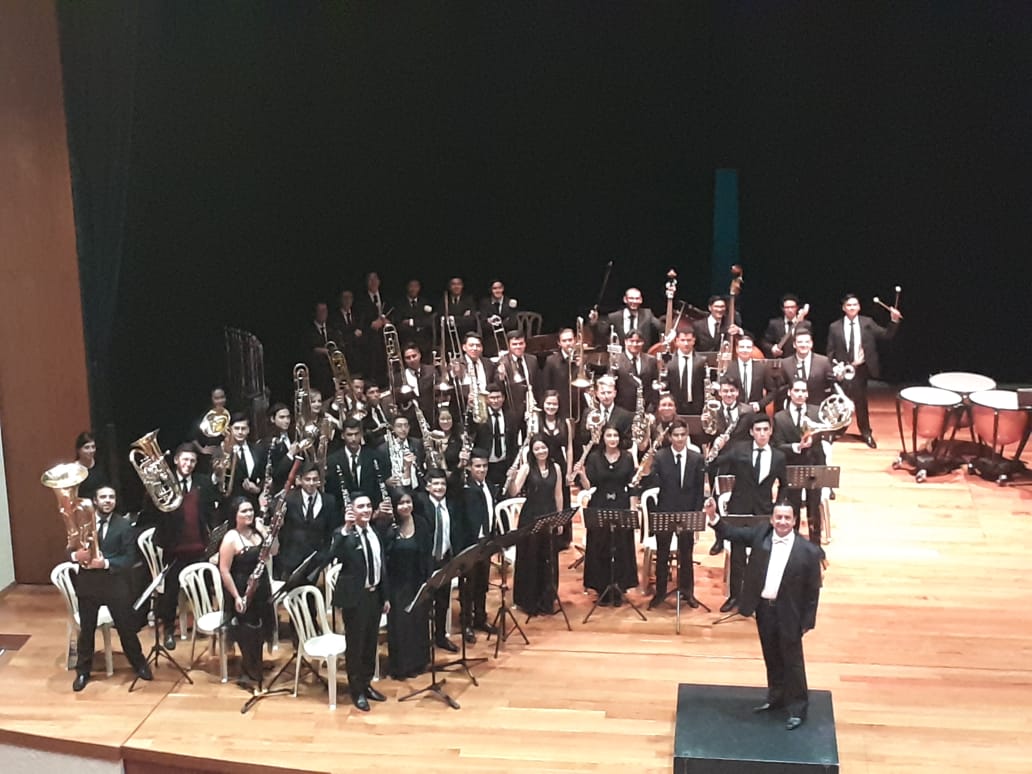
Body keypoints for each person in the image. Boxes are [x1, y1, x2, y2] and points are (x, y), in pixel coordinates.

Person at [704, 500, 822, 730]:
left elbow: (812, 590)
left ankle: (798, 708)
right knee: (772, 656)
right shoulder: (761, 535)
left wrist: (808, 620)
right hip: (765, 609)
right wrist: (713, 517)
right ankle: (776, 697)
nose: (782, 522)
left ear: (794, 521)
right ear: (771, 519)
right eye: (778, 517)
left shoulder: (808, 551)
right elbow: (733, 534)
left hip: (789, 612)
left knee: (793, 661)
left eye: (787, 518)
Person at [70, 485, 151, 691]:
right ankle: (83, 671)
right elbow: (68, 550)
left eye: (111, 497)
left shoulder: (124, 525)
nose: (108, 500)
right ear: (95, 501)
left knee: (126, 628)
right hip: (88, 586)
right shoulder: (82, 523)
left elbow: (129, 558)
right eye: (103, 497)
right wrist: (75, 556)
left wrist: (105, 563)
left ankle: (139, 663)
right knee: (87, 631)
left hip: (115, 585)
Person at [711, 414, 787, 614]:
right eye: (758, 430)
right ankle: (735, 596)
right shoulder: (739, 450)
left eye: (765, 430)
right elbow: (714, 464)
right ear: (751, 432)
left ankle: (756, 598)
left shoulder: (778, 457)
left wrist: (777, 507)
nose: (762, 434)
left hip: (763, 512)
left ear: (770, 431)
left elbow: (784, 485)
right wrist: (718, 448)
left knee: (761, 556)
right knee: (737, 556)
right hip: (740, 509)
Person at [324, 492, 391, 711]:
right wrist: (346, 528)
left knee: (371, 643)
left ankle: (366, 683)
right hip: (356, 598)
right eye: (360, 506)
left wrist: (385, 596)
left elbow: (381, 566)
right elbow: (332, 555)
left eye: (368, 506)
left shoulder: (375, 532)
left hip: (374, 595)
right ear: (352, 510)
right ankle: (356, 690)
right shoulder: (344, 535)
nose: (366, 510)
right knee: (356, 645)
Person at [152, 444, 219, 650]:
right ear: (176, 460)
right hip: (174, 548)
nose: (188, 464)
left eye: (192, 461)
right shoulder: (164, 483)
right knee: (170, 592)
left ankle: (206, 624)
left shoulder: (203, 483)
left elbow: (210, 511)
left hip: (198, 546)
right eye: (185, 460)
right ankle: (168, 631)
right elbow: (153, 512)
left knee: (206, 587)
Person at [825, 292, 902, 448]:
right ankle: (835, 431)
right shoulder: (835, 327)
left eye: (855, 304)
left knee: (860, 403)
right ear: (843, 308)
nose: (852, 307)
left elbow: (886, 335)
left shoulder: (867, 323)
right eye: (849, 305)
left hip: (860, 370)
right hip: (842, 371)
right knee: (839, 402)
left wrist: (894, 321)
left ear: (859, 307)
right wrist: (834, 370)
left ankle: (866, 432)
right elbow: (830, 351)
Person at [572, 426, 638, 604]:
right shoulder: (594, 457)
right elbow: (589, 486)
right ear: (603, 438)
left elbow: (632, 485)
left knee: (621, 546)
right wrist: (581, 474)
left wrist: (633, 509)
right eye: (609, 435)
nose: (612, 439)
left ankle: (619, 587)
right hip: (599, 504)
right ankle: (601, 588)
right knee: (600, 545)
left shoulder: (627, 457)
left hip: (621, 505)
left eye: (615, 435)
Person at [645, 420, 705, 609]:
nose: (680, 438)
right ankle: (660, 592)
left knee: (686, 554)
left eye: (683, 435)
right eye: (676, 435)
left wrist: (696, 513)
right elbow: (653, 484)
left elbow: (699, 489)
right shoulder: (660, 457)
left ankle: (688, 592)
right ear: (670, 437)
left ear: (687, 435)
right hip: (666, 512)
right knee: (662, 554)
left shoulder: (697, 458)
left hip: (688, 513)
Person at [217, 496, 274, 687]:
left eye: (250, 510)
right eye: (244, 511)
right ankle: (249, 671)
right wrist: (236, 597)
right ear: (235, 515)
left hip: (261, 586)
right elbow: (224, 570)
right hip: (242, 588)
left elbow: (274, 551)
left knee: (260, 629)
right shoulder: (230, 538)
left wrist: (267, 533)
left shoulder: (257, 532)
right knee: (247, 631)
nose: (249, 514)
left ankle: (256, 665)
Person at [510, 436, 564, 615]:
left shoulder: (556, 468)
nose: (541, 451)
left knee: (548, 557)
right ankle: (529, 601)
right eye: (537, 449)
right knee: (530, 558)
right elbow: (514, 491)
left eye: (544, 447)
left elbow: (558, 494)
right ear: (532, 452)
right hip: (530, 517)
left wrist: (560, 519)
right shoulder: (526, 468)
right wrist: (512, 478)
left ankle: (546, 600)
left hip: (549, 516)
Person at [414, 469, 465, 653]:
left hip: (445, 559)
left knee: (443, 601)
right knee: (425, 602)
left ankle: (440, 636)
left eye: (442, 483)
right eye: (435, 483)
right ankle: (422, 640)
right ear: (427, 486)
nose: (439, 487)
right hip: (426, 561)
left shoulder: (451, 505)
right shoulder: (421, 504)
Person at [772, 379, 827, 545]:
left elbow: (829, 433)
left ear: (807, 393)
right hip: (791, 467)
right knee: (792, 507)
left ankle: (815, 545)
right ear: (790, 393)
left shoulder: (817, 412)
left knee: (814, 507)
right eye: (796, 390)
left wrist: (814, 439)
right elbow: (777, 445)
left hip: (814, 464)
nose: (800, 394)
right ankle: (792, 544)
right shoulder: (780, 417)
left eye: (803, 391)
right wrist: (796, 446)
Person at [385, 490, 431, 679]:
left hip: (417, 581)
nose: (405, 506)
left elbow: (427, 554)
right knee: (401, 626)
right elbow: (385, 560)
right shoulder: (389, 527)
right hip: (397, 584)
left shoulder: (421, 523)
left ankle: (419, 662)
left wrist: (428, 582)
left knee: (418, 622)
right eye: (401, 503)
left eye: (408, 502)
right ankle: (402, 667)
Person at [276, 462, 340, 581]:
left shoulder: (328, 501)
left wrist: (324, 555)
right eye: (307, 479)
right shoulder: (289, 499)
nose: (311, 483)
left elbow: (330, 531)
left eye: (315, 479)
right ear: (300, 480)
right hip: (291, 560)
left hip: (316, 560)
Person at [460, 449, 500, 640]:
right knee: (468, 585)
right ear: (470, 467)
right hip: (470, 543)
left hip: (486, 542)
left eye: (484, 466)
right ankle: (466, 623)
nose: (482, 469)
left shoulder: (489, 486)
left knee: (482, 583)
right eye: (477, 466)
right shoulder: (465, 488)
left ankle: (480, 618)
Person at [589, 286, 662, 347]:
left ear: (641, 300)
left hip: (642, 356)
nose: (634, 301)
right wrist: (594, 323)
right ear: (625, 299)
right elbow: (601, 335)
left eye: (637, 298)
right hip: (620, 357)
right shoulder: (614, 317)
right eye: (631, 298)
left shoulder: (647, 314)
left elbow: (661, 328)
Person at [778, 329, 834, 409]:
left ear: (811, 344)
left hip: (818, 409)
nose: (803, 345)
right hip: (793, 410)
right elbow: (780, 391)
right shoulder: (785, 364)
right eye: (800, 342)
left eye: (807, 342)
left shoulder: (823, 362)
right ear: (794, 344)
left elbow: (832, 385)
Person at [725, 334, 776, 413]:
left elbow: (772, 391)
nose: (745, 350)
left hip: (757, 413)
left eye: (748, 347)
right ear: (737, 349)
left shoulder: (762, 368)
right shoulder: (729, 368)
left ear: (752, 349)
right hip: (735, 412)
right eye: (742, 347)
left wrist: (760, 404)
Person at [665, 329, 707, 416]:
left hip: (696, 406)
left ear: (694, 341)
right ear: (677, 341)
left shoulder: (701, 361)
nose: (686, 343)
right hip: (674, 406)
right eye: (683, 340)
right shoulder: (669, 361)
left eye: (689, 340)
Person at [542, 327, 581, 420]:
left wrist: (580, 366)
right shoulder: (551, 361)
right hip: (560, 406)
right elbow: (546, 386)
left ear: (575, 340)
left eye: (570, 340)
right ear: (559, 343)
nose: (568, 343)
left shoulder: (581, 358)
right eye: (564, 341)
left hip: (578, 405)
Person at [761, 294, 811, 359]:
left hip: (799, 359)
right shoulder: (774, 324)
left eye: (792, 307)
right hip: (781, 359)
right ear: (783, 309)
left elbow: (809, 343)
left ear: (797, 308)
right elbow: (765, 342)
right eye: (787, 307)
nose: (790, 310)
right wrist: (772, 348)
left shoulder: (805, 324)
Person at [392, 279, 435, 354]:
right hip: (406, 342)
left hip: (424, 343)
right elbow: (398, 323)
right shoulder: (400, 304)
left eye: (416, 286)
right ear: (407, 287)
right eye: (411, 286)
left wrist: (411, 322)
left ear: (419, 288)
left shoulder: (425, 302)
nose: (413, 289)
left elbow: (429, 321)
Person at [73, 431, 109, 502]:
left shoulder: (101, 464)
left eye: (93, 447)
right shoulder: (74, 470)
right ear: (78, 450)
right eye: (87, 447)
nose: (91, 450)